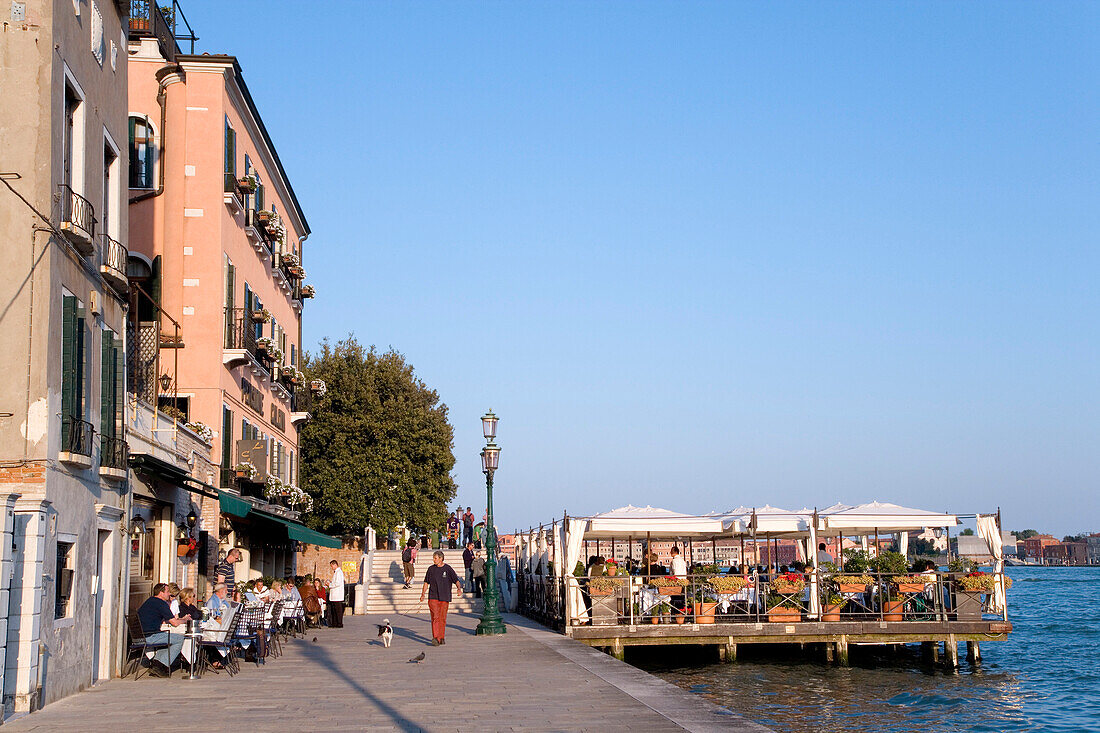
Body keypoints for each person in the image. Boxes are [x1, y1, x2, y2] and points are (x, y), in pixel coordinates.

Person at [137, 582, 190, 676]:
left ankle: (156, 664)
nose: (169, 594)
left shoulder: (149, 601)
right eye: (167, 591)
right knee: (179, 639)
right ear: (161, 593)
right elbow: (175, 623)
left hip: (140, 636)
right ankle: (160, 665)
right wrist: (185, 620)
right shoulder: (161, 603)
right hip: (150, 636)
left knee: (168, 639)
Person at [420, 550, 463, 646]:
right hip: (433, 596)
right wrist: (423, 594)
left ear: (441, 558)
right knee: (435, 617)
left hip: (445, 597)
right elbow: (426, 582)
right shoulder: (431, 569)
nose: (433, 560)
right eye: (433, 558)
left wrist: (459, 589)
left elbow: (456, 580)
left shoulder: (448, 569)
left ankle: (441, 637)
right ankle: (435, 638)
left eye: (435, 558)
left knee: (442, 618)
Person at [327, 559, 346, 628]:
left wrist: (330, 584)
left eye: (332, 566)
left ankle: (339, 623)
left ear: (335, 565)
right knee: (334, 610)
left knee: (338, 611)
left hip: (337, 595)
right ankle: (335, 623)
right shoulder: (336, 572)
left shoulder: (339, 572)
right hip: (335, 595)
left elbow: (337, 583)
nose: (331, 568)